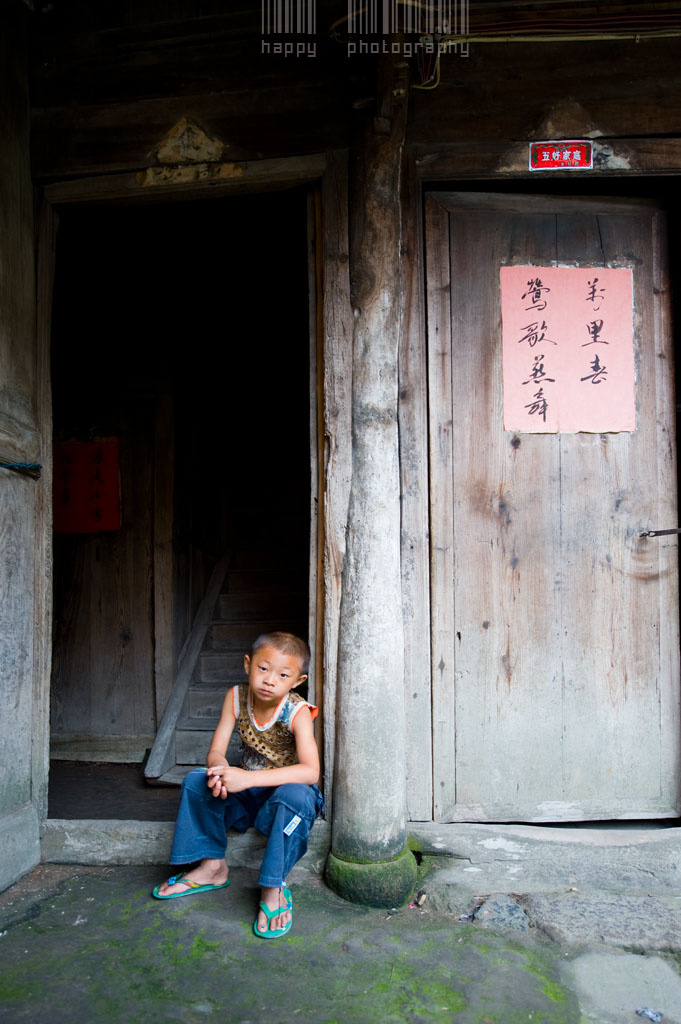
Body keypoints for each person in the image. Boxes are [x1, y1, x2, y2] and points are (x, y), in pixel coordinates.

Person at [152, 631, 323, 939]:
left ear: (297, 681)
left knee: (295, 796)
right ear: (248, 664)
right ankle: (213, 866)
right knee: (196, 780)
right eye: (263, 668)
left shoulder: (297, 712)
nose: (270, 680)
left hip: (283, 800)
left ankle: (273, 886)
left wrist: (248, 778)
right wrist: (220, 770)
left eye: (283, 674)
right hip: (247, 797)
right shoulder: (235, 697)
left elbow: (311, 772)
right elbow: (216, 751)